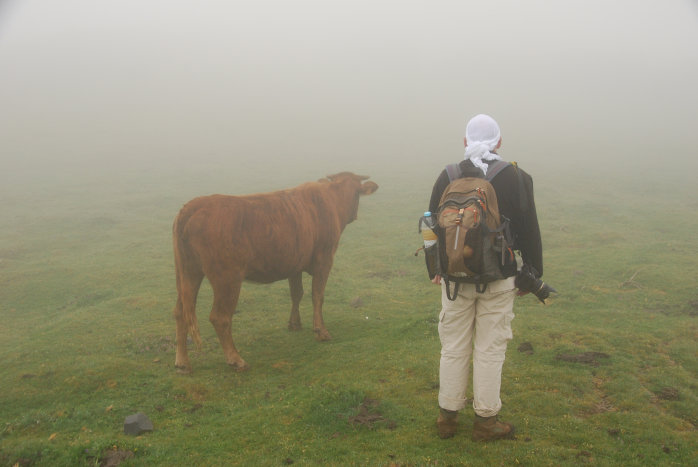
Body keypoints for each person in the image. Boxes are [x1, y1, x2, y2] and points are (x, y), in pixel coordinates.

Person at [428, 113, 543, 441]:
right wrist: (531, 272)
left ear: (465, 142)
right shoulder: (518, 177)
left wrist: (436, 268)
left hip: (454, 277)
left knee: (453, 346)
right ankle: (486, 422)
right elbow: (529, 231)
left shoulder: (448, 175)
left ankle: (447, 419)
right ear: (500, 142)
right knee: (490, 348)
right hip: (499, 277)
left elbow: (432, 224)